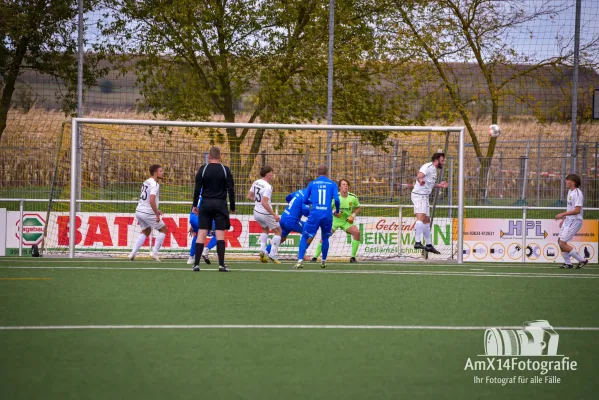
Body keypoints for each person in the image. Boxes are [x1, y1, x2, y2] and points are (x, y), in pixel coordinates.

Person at [191, 147, 235, 272]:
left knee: (201, 233)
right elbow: (231, 190)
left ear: (209, 156)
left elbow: (197, 189)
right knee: (220, 234)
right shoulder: (225, 170)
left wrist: (195, 205)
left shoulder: (203, 169)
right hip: (220, 205)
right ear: (220, 156)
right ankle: (221, 265)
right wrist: (232, 207)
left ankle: (196, 264)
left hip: (205, 204)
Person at [294, 165, 340, 269]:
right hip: (327, 214)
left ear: (317, 173)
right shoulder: (332, 184)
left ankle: (300, 260)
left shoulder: (312, 184)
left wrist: (313, 202)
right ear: (327, 173)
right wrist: (337, 210)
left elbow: (305, 200)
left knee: (305, 236)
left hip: (314, 214)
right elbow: (337, 200)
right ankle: (323, 261)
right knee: (325, 237)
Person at [311, 179, 361, 263]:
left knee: (357, 232)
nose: (346, 186)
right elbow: (327, 207)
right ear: (339, 187)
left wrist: (353, 215)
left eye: (347, 184)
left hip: (346, 222)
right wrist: (334, 212)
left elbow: (358, 207)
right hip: (333, 221)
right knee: (325, 237)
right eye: (343, 184)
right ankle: (315, 257)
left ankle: (353, 257)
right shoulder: (335, 197)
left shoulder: (353, 197)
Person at [128, 164, 168, 261]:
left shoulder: (146, 181)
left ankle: (132, 254)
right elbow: (151, 200)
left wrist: (156, 210)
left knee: (146, 231)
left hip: (139, 210)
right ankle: (154, 253)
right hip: (147, 212)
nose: (162, 173)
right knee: (164, 230)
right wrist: (156, 214)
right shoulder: (155, 184)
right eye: (160, 171)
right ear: (155, 173)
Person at [411, 153, 448, 255]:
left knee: (427, 220)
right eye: (442, 161)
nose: (443, 163)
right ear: (436, 160)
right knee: (421, 218)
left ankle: (428, 245)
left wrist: (439, 185)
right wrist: (420, 180)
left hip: (425, 196)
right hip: (419, 195)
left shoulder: (434, 170)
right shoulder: (427, 166)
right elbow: (419, 175)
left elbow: (429, 184)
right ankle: (417, 242)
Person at [265, 179, 312, 258]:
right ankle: (302, 254)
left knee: (282, 237)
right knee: (311, 231)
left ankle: (266, 252)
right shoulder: (307, 196)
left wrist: (294, 208)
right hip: (292, 221)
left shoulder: (299, 191)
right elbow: (305, 211)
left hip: (284, 217)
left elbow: (288, 198)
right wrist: (312, 211)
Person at [247, 166, 282, 264]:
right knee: (278, 231)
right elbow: (264, 202)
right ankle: (273, 254)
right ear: (267, 174)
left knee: (265, 229)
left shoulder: (256, 182)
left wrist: (257, 201)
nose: (273, 175)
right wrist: (274, 214)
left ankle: (262, 251)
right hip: (265, 213)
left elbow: (249, 196)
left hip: (256, 212)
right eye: (272, 172)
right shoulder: (268, 186)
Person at [555, 173, 588, 269]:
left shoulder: (578, 193)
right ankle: (568, 263)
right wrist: (564, 219)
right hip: (568, 220)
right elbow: (570, 208)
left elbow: (577, 210)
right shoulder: (570, 191)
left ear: (573, 182)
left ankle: (582, 260)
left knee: (562, 243)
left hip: (575, 221)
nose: (566, 181)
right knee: (559, 241)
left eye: (567, 179)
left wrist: (562, 214)